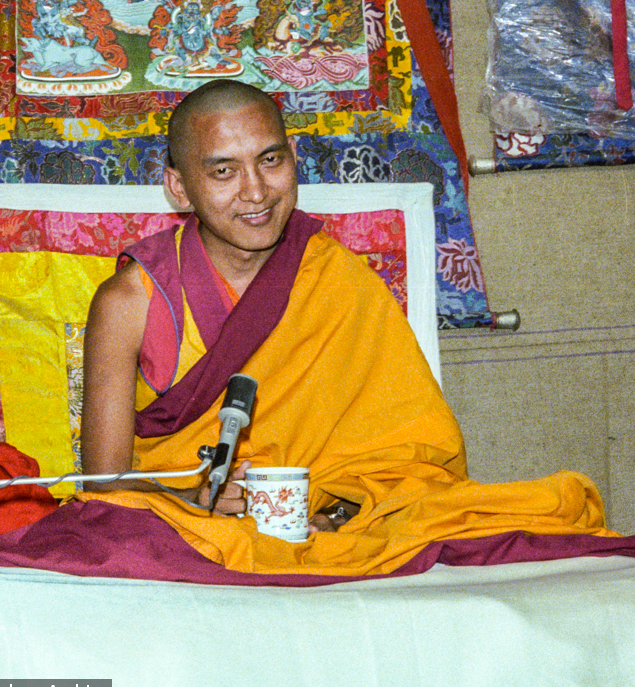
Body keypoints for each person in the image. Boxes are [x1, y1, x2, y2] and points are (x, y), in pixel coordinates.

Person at [78, 79, 618, 577]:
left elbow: (406, 452)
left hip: (330, 515)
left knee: (534, 507)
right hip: (189, 523)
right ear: (178, 187)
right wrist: (196, 499)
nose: (256, 191)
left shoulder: (337, 278)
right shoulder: (130, 301)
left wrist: (338, 513)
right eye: (223, 171)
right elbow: (103, 487)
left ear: (293, 160)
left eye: (270, 161)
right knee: (103, 534)